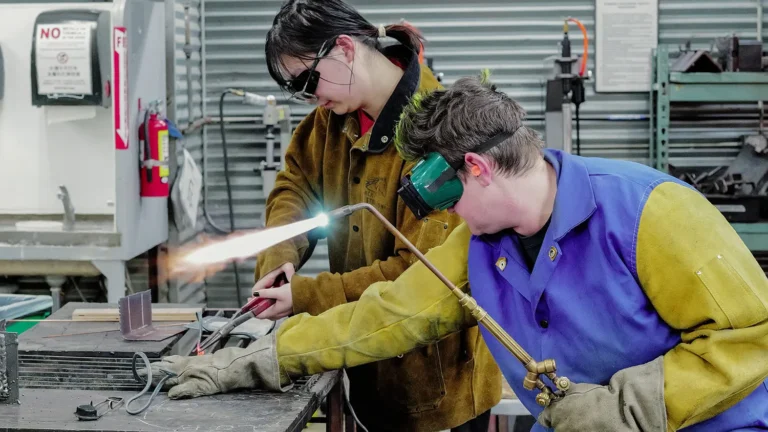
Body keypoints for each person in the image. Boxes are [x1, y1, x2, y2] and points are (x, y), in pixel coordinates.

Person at [148, 73, 768, 431]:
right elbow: (386, 315)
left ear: (477, 167)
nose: (442, 214)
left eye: (441, 194)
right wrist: (263, 358)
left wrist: (624, 410)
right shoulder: (478, 247)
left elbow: (751, 337)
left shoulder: (650, 211)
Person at [240, 1, 500, 431]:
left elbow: (420, 272)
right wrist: (280, 259)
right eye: (297, 89)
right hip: (364, 369)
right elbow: (295, 187)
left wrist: (307, 296)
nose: (311, 97)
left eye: (308, 79)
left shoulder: (439, 131)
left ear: (344, 48)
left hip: (435, 392)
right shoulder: (329, 121)